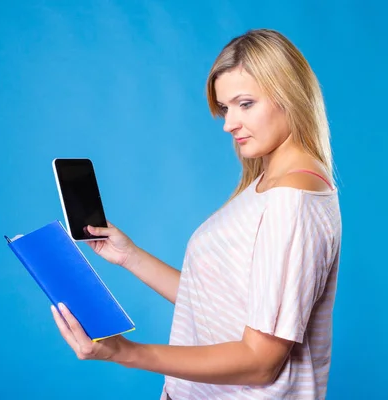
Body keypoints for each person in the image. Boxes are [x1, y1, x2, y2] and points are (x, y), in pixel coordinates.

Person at [50, 28, 342, 400]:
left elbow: (260, 360)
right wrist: (129, 256)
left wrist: (128, 353)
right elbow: (217, 303)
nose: (229, 123)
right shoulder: (270, 185)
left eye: (245, 103)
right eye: (225, 108)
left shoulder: (292, 203)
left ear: (290, 95)